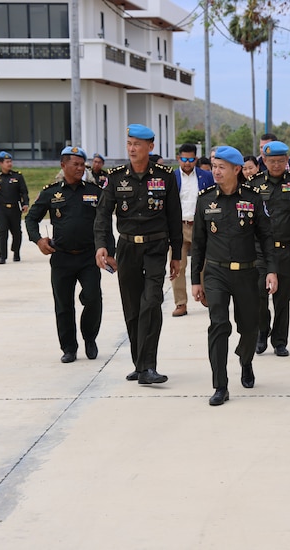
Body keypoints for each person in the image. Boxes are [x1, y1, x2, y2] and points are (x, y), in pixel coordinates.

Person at [93, 124, 182, 385]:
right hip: (127, 249)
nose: (132, 148)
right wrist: (103, 247)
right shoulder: (116, 176)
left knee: (151, 303)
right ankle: (139, 365)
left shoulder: (165, 177)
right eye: (129, 143)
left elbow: (174, 217)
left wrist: (176, 254)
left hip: (156, 248)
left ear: (150, 147)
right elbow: (102, 215)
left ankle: (149, 366)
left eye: (138, 144)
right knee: (132, 308)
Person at [191, 146, 278, 406]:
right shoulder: (205, 199)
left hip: (247, 272)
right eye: (214, 166)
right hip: (216, 272)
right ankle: (220, 385)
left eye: (222, 167)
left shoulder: (252, 198)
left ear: (236, 170)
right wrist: (196, 279)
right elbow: (198, 243)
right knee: (219, 325)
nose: (216, 171)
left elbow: (266, 236)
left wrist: (271, 270)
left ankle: (246, 359)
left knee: (250, 328)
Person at [25, 146, 112, 363]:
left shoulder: (94, 191)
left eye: (83, 165)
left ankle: (89, 338)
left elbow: (105, 224)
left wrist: (110, 252)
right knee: (63, 304)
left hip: (89, 257)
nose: (81, 169)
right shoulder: (51, 192)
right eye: (76, 164)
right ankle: (69, 348)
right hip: (62, 257)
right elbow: (31, 219)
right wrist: (38, 240)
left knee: (93, 298)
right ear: (63, 165)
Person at [251, 141, 290, 357]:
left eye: (280, 161)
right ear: (264, 161)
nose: (276, 165)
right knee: (259, 295)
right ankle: (261, 333)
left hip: (287, 249)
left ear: (287, 161)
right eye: (272, 161)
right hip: (260, 251)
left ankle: (280, 340)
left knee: (283, 298)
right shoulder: (254, 184)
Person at [170, 143, 215, 318]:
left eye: (191, 159)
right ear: (178, 158)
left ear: (195, 159)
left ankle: (205, 295)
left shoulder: (206, 176)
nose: (187, 163)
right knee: (177, 266)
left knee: (204, 263)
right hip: (178, 227)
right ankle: (180, 303)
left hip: (200, 226)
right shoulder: (172, 177)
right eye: (184, 159)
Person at [0, 151, 29, 264]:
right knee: (2, 232)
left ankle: (16, 252)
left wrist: (25, 204)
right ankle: (2, 256)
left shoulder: (17, 176)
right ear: (0, 163)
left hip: (14, 208)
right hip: (0, 208)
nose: (9, 164)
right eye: (7, 162)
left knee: (16, 232)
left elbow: (24, 192)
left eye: (10, 161)